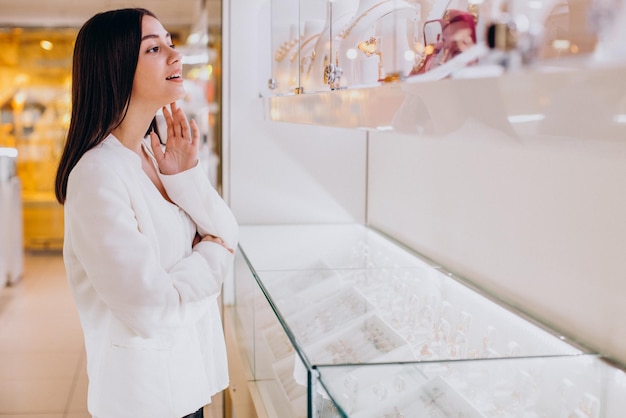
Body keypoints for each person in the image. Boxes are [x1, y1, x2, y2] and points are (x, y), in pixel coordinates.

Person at [54, 8, 238, 418]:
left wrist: (186, 177)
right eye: (154, 48)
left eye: (170, 42)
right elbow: (154, 311)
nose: (176, 56)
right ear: (114, 68)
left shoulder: (151, 155)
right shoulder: (96, 176)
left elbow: (226, 230)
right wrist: (212, 253)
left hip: (190, 384)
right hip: (146, 401)